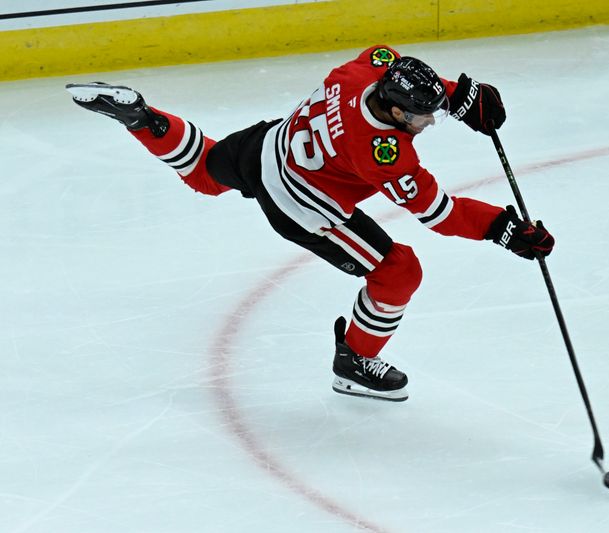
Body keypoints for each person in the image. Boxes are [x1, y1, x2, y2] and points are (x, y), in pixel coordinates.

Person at [66, 45, 554, 402]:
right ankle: (356, 361)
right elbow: (440, 215)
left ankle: (142, 119)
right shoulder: (383, 153)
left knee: (206, 170)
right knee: (399, 272)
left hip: (271, 145)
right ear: (398, 111)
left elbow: (394, 60)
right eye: (425, 117)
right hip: (303, 202)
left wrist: (458, 95)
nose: (430, 123)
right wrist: (505, 229)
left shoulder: (363, 70)